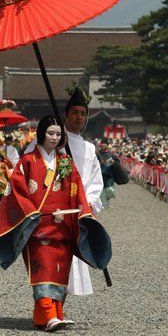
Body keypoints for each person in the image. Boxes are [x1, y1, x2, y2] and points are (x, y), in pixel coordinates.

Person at [0, 115, 93, 331]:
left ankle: (49, 316)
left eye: (58, 134)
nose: (54, 138)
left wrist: (84, 212)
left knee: (59, 269)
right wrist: (31, 213)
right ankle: (50, 315)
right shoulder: (27, 162)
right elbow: (16, 191)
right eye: (50, 133)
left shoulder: (66, 162)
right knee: (43, 269)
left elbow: (78, 190)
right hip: (37, 226)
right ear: (41, 134)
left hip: (62, 225)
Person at [63, 84, 104, 298]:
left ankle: (58, 307)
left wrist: (87, 203)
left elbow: (96, 182)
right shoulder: (53, 142)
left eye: (83, 114)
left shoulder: (89, 148)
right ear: (66, 115)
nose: (79, 118)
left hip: (79, 210)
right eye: (75, 113)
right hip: (57, 211)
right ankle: (49, 307)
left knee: (74, 258)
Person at [97, 138, 129, 208]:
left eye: (104, 144)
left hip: (109, 174)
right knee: (101, 189)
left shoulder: (111, 154)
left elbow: (117, 162)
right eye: (102, 144)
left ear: (107, 145)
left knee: (109, 189)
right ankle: (102, 203)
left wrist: (114, 162)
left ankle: (108, 202)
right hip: (100, 174)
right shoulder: (98, 154)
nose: (102, 145)